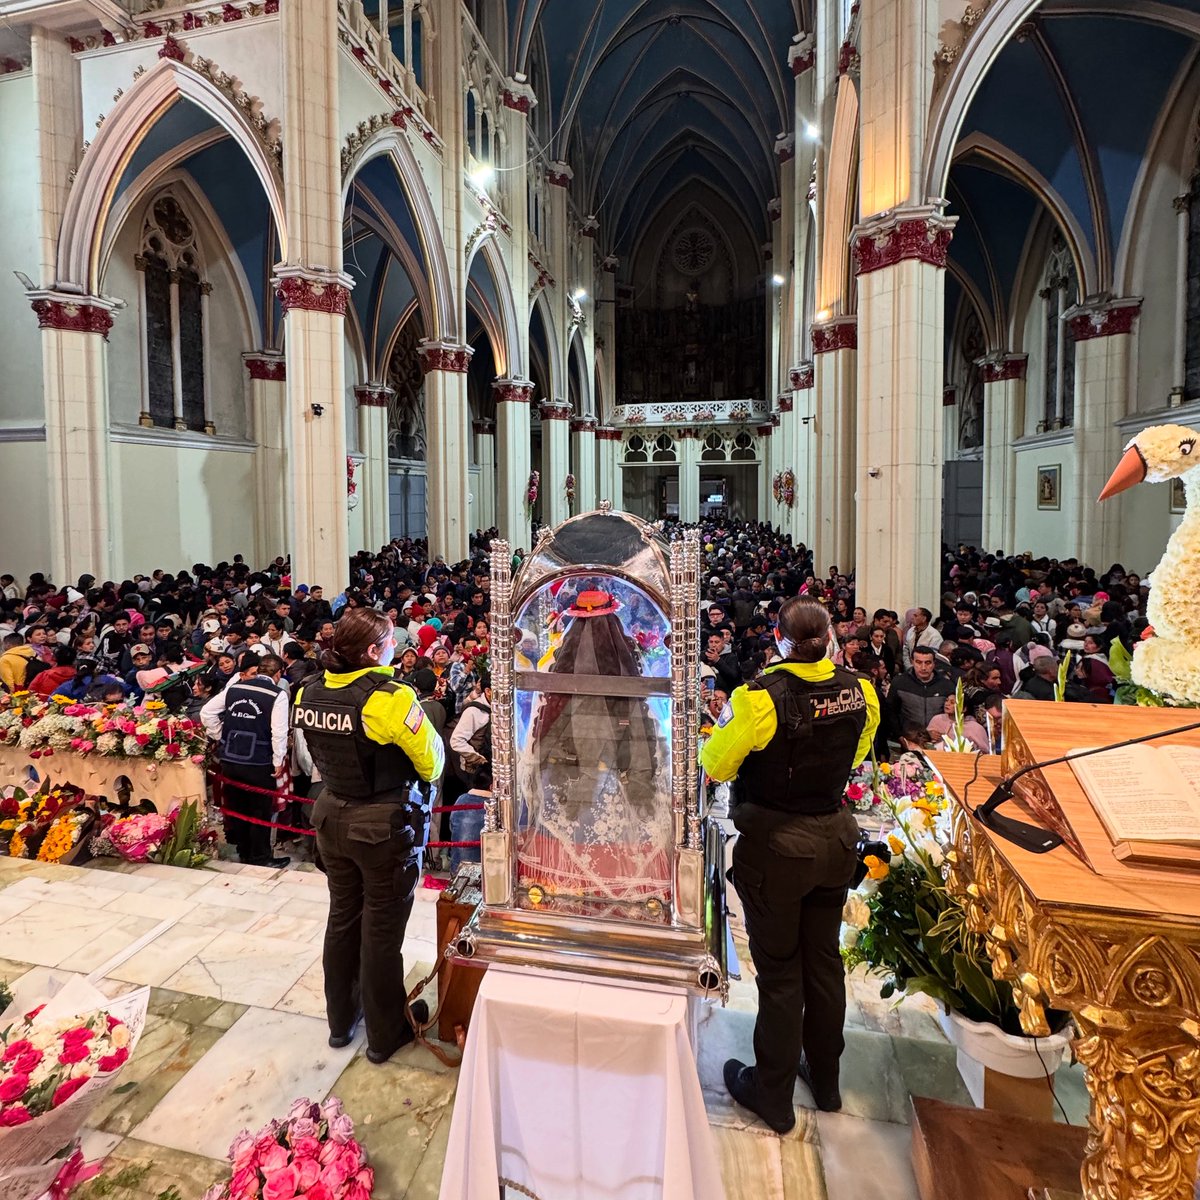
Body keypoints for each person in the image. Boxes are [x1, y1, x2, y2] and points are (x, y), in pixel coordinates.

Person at [701, 597, 879, 1132]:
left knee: (780, 974)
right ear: (829, 636)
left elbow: (716, 762)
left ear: (779, 639)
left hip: (778, 846)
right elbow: (857, 750)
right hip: (834, 840)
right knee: (823, 963)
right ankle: (825, 1081)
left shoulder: (759, 698)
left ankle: (772, 1092)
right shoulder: (860, 689)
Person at [291, 608, 444, 1064]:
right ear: (374, 651)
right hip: (380, 828)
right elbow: (432, 763)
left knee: (342, 920)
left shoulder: (308, 690)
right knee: (380, 933)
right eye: (390, 643)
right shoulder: (390, 697)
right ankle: (385, 1033)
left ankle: (342, 1021)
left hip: (330, 818)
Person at [201, 650, 291, 867]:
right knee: (259, 810)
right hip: (259, 760)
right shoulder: (277, 694)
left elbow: (206, 713)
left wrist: (222, 735)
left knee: (239, 808)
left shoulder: (235, 688)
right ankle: (260, 857)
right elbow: (279, 732)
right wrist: (278, 761)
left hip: (231, 758)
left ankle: (243, 851)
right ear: (278, 674)